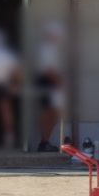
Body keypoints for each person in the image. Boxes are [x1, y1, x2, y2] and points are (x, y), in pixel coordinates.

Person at [35, 21, 65, 152]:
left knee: (54, 112)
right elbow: (48, 70)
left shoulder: (52, 48)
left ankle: (45, 141)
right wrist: (60, 83)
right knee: (48, 112)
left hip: (50, 81)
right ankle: (44, 142)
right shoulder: (46, 49)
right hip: (47, 82)